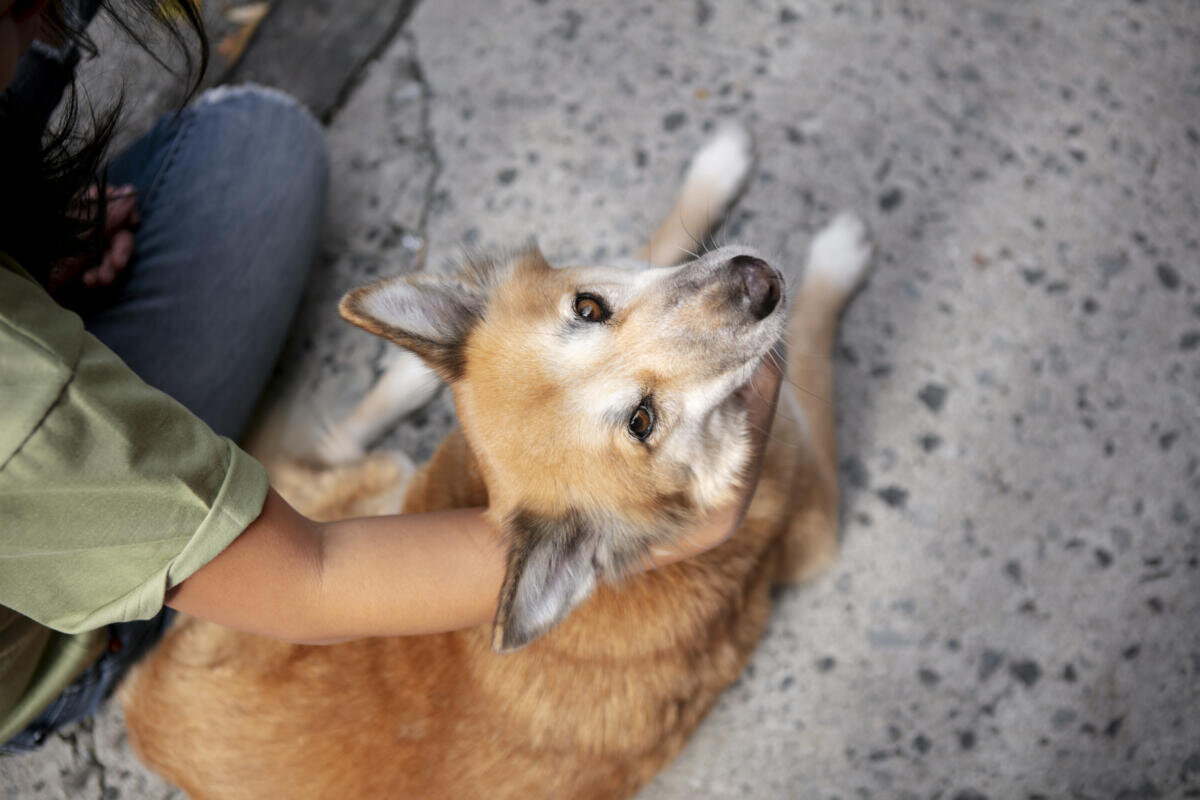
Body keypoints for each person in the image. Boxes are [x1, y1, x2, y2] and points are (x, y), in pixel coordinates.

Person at [0, 0, 784, 755]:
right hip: (59, 625)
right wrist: (653, 536)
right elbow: (313, 581)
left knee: (258, 139)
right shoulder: (20, 407)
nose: (727, 295)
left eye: (587, 309)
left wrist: (31, 245)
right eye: (640, 418)